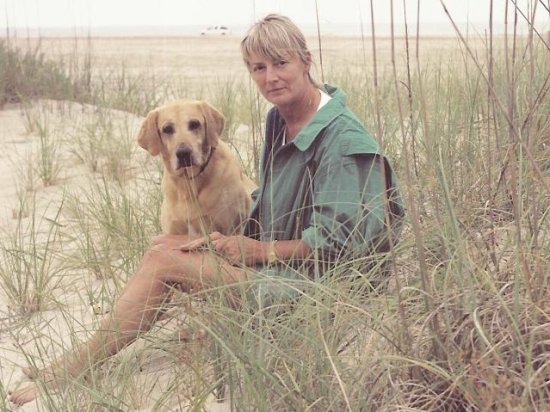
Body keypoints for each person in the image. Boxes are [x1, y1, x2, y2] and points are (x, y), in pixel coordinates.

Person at [8, 13, 404, 406]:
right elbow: (272, 207)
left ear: (306, 61)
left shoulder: (344, 141)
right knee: (166, 245)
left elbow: (345, 248)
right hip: (282, 269)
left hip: (320, 295)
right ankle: (103, 346)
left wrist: (254, 251)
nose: (271, 78)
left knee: (165, 261)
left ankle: (70, 371)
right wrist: (225, 243)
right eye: (258, 68)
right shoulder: (280, 120)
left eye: (281, 63)